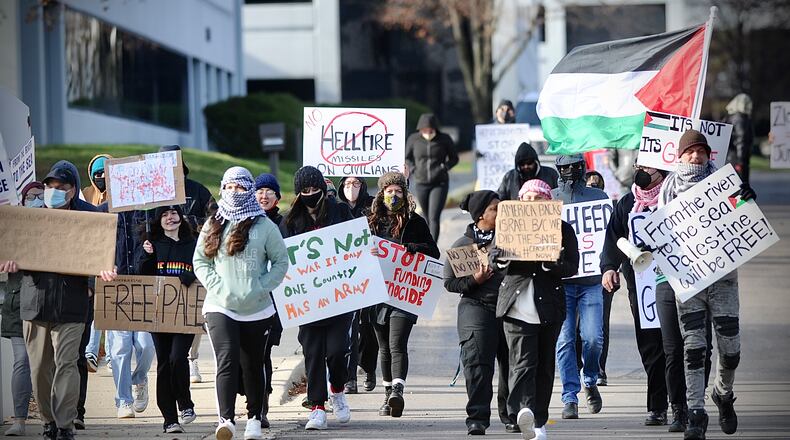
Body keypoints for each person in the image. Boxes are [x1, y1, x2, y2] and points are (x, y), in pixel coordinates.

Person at [0, 161, 117, 440]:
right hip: (35, 301)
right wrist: (13, 262)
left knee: (66, 363)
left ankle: (65, 423)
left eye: (61, 187)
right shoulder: (32, 218)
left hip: (72, 304)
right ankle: (48, 421)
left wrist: (96, 279)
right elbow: (15, 250)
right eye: (50, 186)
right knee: (40, 368)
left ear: (73, 189)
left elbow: (103, 255)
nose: (54, 191)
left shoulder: (91, 218)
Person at [656, 129, 755, 440]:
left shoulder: (725, 181)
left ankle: (723, 394)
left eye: (701, 151)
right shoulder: (668, 189)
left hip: (723, 278)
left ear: (709, 154)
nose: (696, 157)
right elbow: (660, 233)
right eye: (690, 152)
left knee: (731, 350)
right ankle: (695, 414)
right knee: (694, 348)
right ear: (679, 156)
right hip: (689, 281)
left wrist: (746, 200)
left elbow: (743, 219)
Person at [194, 166, 289, 440]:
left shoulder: (264, 226)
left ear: (249, 189)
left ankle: (254, 420)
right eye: (229, 187)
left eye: (240, 187)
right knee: (226, 361)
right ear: (222, 188)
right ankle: (226, 420)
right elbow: (200, 261)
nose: (234, 192)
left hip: (256, 308)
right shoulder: (213, 223)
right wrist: (216, 286)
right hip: (219, 306)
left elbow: (281, 262)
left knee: (252, 365)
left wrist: (261, 287)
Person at [495, 179, 579, 440]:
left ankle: (539, 421)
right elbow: (494, 256)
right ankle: (523, 411)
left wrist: (550, 265)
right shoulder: (509, 224)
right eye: (527, 199)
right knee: (522, 362)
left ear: (548, 202)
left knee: (544, 366)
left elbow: (572, 266)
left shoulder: (563, 229)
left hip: (548, 308)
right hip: (516, 306)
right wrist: (504, 257)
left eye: (538, 199)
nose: (532, 204)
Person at [279, 166, 355, 431]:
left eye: (315, 190)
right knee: (313, 353)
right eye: (305, 191)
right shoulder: (289, 221)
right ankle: (318, 407)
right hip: (307, 302)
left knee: (336, 351)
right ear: (298, 193)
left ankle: (337, 388)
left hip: (338, 298)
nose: (310, 195)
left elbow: (356, 245)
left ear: (323, 189)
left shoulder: (340, 212)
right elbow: (281, 258)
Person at [600, 164, 671, 426]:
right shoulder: (628, 203)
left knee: (677, 345)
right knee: (651, 344)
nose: (640, 171)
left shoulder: (676, 197)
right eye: (637, 166)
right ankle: (657, 406)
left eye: (647, 167)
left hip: (679, 282)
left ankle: (682, 403)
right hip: (641, 285)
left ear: (661, 172)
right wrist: (609, 268)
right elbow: (613, 237)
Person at [368, 172, 440, 419]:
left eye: (398, 191)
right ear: (381, 193)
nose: (394, 195)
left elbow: (434, 252)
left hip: (403, 294)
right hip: (377, 294)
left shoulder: (415, 222)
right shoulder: (371, 222)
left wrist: (412, 248)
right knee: (384, 347)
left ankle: (398, 389)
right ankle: (387, 395)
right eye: (389, 191)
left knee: (398, 343)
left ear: (406, 193)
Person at [443, 190, 510, 435]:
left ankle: (511, 414)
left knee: (513, 364)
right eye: (495, 208)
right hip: (476, 307)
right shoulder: (463, 245)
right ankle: (478, 418)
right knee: (478, 363)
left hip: (510, 307)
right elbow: (450, 283)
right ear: (481, 214)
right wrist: (475, 280)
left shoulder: (512, 239)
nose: (501, 211)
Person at [550, 154, 608, 419]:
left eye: (575, 166)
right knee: (564, 340)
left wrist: (610, 267)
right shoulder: (548, 199)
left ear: (584, 168)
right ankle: (569, 397)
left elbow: (610, 234)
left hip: (591, 280)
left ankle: (591, 379)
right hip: (560, 282)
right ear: (557, 170)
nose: (570, 171)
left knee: (593, 337)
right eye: (565, 168)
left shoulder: (599, 198)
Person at [136, 206, 199, 433]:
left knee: (177, 357)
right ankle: (169, 419)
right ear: (158, 220)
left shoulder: (194, 244)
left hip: (186, 313)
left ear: (181, 217)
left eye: (173, 213)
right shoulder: (152, 244)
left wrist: (191, 275)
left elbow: (205, 269)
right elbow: (142, 275)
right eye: (164, 214)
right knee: (164, 362)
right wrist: (147, 255)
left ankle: (185, 403)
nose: (169, 218)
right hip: (159, 314)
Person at [160, 145, 214, 384]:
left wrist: (189, 223)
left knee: (191, 311)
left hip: (193, 259)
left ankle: (191, 359)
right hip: (162, 260)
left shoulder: (198, 191)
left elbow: (215, 219)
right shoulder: (153, 194)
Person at [0, 181, 44, 436]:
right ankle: (19, 419)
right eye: (31, 196)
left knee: (46, 364)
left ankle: (52, 415)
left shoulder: (54, 227)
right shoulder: (11, 229)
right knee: (22, 361)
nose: (35, 199)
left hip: (46, 303)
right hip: (18, 304)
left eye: (40, 196)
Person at [337, 176, 377, 393]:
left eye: (356, 184)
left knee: (367, 326)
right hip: (345, 276)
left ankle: (369, 367)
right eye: (347, 184)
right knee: (349, 328)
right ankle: (350, 377)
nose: (351, 188)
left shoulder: (372, 206)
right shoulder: (336, 208)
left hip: (369, 274)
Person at [253, 172, 285, 426]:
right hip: (247, 299)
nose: (264, 196)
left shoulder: (283, 225)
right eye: (259, 191)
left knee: (263, 355)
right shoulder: (245, 222)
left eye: (269, 192)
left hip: (274, 302)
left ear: (277, 197)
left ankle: (261, 407)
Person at [405, 113, 458, 240]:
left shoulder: (444, 139)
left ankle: (433, 247)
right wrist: (413, 168)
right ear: (420, 129)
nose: (428, 133)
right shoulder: (413, 139)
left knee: (434, 217)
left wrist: (444, 167)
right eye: (424, 130)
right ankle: (426, 242)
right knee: (427, 216)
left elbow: (454, 158)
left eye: (430, 130)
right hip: (421, 182)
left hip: (439, 183)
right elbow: (408, 157)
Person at [724, 93, 754, 185]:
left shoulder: (730, 117)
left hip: (730, 158)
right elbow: (741, 140)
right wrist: (741, 161)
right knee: (741, 189)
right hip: (737, 159)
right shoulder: (740, 118)